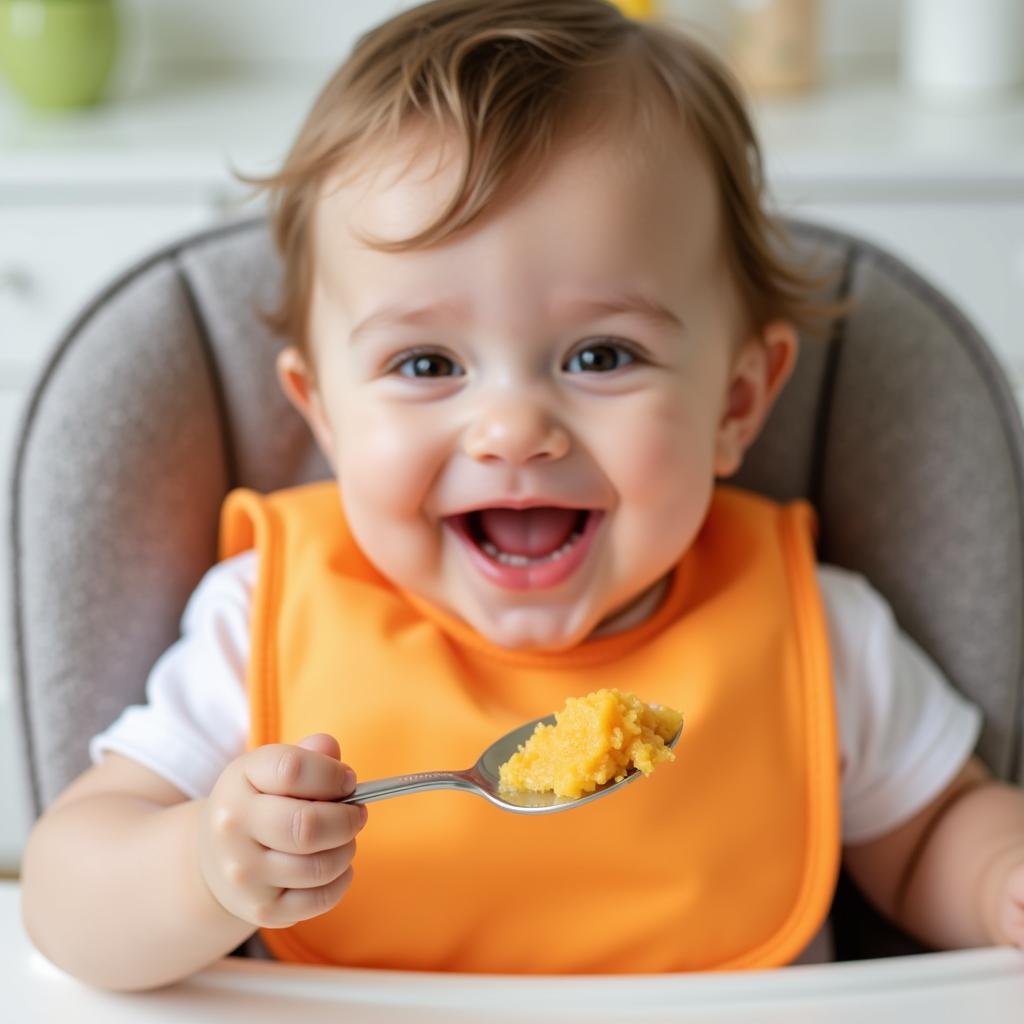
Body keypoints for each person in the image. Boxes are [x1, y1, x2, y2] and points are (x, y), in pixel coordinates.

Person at [20, 0, 1024, 992]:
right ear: (320, 412)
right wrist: (202, 867)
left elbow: (934, 831)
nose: (511, 430)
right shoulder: (263, 624)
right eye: (425, 362)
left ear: (735, 401)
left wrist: (997, 877)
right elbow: (65, 895)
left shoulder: (814, 632)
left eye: (599, 354)